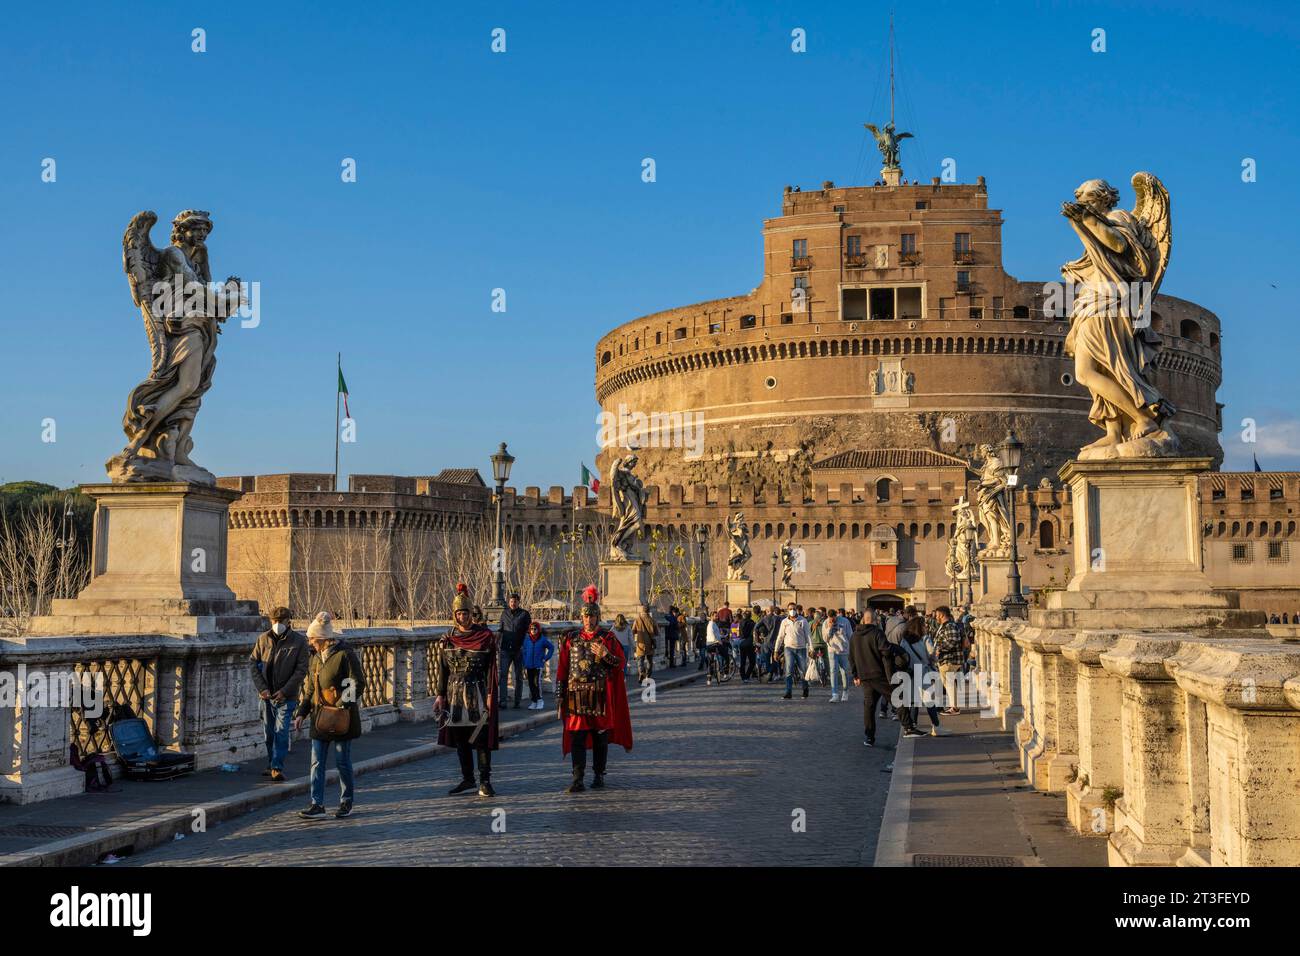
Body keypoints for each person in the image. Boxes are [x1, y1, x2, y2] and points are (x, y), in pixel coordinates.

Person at [557, 586, 633, 792]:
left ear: (597, 618)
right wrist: (559, 695)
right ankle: (577, 778)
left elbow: (619, 664)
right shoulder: (571, 640)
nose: (588, 621)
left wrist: (606, 654)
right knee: (577, 737)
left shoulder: (608, 639)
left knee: (600, 738)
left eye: (592, 617)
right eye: (585, 617)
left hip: (600, 695)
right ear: (581, 618)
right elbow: (563, 668)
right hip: (576, 695)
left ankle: (599, 774)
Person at [295, 612, 366, 819]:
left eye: (312, 639)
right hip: (319, 717)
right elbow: (310, 689)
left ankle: (346, 801)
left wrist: (342, 704)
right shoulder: (315, 658)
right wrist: (301, 712)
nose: (310, 643)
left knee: (342, 760)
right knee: (317, 762)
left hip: (342, 717)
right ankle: (317, 804)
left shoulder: (345, 655)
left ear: (323, 639)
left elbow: (358, 682)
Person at [433, 583, 501, 796]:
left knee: (480, 739)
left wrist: (491, 694)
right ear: (455, 615)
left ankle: (485, 780)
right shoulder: (448, 638)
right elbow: (442, 669)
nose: (462, 617)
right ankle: (467, 778)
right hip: (455, 695)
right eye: (459, 613)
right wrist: (439, 695)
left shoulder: (485, 637)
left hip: (478, 693)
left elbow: (491, 669)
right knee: (461, 740)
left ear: (471, 614)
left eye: (465, 613)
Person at [850, 609, 922, 764]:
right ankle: (908, 727)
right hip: (879, 674)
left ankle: (869, 737)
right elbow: (886, 650)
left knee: (869, 706)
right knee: (897, 698)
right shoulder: (877, 633)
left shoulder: (855, 635)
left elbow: (852, 656)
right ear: (874, 619)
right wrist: (895, 650)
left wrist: (855, 674)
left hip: (864, 676)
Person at [250, 605, 309, 782]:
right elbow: (253, 664)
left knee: (281, 731)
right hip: (266, 696)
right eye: (274, 621)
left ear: (287, 621)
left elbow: (301, 670)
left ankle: (277, 766)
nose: (276, 624)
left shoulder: (299, 641)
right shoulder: (263, 639)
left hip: (287, 696)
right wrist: (262, 689)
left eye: (280, 621)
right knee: (269, 732)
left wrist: (285, 691)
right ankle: (271, 763)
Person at [900, 616, 946, 735]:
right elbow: (931, 656)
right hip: (923, 671)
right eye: (924, 625)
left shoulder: (904, 640)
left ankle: (912, 726)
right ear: (919, 627)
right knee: (929, 701)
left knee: (913, 700)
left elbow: (902, 656)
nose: (926, 627)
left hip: (910, 672)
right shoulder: (925, 638)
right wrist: (934, 658)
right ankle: (936, 726)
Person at [498, 592, 530, 709]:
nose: (513, 603)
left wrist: (524, 646)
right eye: (511, 601)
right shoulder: (504, 613)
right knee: (503, 676)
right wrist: (496, 644)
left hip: (519, 649)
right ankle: (503, 701)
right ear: (509, 602)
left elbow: (529, 632)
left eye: (515, 601)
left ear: (518, 602)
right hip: (505, 649)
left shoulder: (524, 614)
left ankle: (517, 700)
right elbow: (500, 630)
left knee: (518, 676)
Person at [932, 606, 966, 715]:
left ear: (942, 615)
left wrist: (938, 649)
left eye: (937, 615)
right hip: (947, 659)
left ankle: (954, 708)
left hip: (950, 659)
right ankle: (954, 707)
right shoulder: (945, 626)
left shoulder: (949, 626)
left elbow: (953, 640)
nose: (936, 617)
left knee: (949, 684)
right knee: (949, 684)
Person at [775, 602, 810, 700]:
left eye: (794, 608)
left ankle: (805, 689)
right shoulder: (784, 622)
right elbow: (780, 636)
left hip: (801, 648)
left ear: (797, 609)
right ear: (787, 610)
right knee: (789, 671)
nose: (792, 610)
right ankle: (788, 692)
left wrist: (811, 649)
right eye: (790, 609)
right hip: (789, 648)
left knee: (803, 670)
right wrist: (776, 650)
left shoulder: (803, 621)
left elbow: (808, 636)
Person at [521, 620, 554, 710]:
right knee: (531, 684)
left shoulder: (542, 639)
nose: (533, 630)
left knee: (537, 683)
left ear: (538, 630)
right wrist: (524, 661)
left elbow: (551, 647)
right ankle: (534, 701)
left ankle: (540, 700)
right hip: (529, 665)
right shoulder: (527, 640)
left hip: (538, 665)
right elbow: (524, 651)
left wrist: (545, 658)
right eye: (531, 629)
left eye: (535, 629)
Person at [826, 610, 851, 702]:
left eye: (833, 618)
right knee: (833, 671)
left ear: (836, 616)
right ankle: (835, 694)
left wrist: (852, 649)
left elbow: (850, 635)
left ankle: (845, 691)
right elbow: (825, 638)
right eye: (830, 618)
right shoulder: (826, 622)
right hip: (832, 650)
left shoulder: (845, 621)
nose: (832, 619)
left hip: (843, 650)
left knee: (844, 672)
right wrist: (829, 628)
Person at [633, 605, 658, 683]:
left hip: (641, 643)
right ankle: (648, 675)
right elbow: (656, 632)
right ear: (649, 611)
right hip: (650, 644)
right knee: (649, 661)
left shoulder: (637, 620)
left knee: (640, 660)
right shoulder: (652, 620)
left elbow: (633, 631)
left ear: (642, 610)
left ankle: (641, 673)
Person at [705, 609, 728, 685]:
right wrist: (718, 641)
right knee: (726, 655)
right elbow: (712, 635)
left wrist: (722, 636)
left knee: (710, 662)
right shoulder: (711, 624)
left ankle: (709, 680)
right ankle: (725, 671)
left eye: (717, 616)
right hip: (714, 644)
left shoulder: (713, 624)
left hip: (709, 645)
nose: (717, 617)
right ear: (711, 616)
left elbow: (716, 634)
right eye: (715, 616)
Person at [611, 613, 634, 677]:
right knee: (625, 662)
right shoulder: (627, 626)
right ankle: (623, 674)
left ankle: (618, 674)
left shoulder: (614, 627)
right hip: (625, 646)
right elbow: (630, 637)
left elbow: (610, 635)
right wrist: (634, 645)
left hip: (617, 647)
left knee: (617, 662)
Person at [739, 607, 759, 681]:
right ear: (750, 616)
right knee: (752, 662)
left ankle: (743, 676)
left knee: (742, 661)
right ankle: (747, 676)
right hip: (749, 643)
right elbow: (754, 634)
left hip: (741, 642)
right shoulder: (752, 623)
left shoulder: (741, 622)